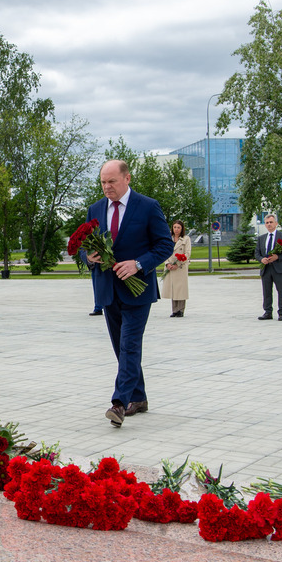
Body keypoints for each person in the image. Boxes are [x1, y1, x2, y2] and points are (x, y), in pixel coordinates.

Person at [83, 159, 174, 428]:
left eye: (111, 181)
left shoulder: (147, 206)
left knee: (129, 345)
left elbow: (164, 246)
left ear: (127, 179)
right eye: (103, 182)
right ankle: (139, 397)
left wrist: (138, 264)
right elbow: (83, 245)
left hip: (138, 291)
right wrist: (89, 257)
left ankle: (119, 403)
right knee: (121, 350)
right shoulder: (95, 209)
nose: (107, 187)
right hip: (108, 290)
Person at [255, 213, 282, 321]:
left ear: (276, 223)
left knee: (281, 291)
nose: (269, 224)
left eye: (271, 222)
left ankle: (281, 313)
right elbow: (257, 253)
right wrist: (261, 259)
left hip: (278, 268)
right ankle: (267, 312)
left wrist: (278, 257)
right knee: (266, 291)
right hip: (266, 268)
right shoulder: (261, 238)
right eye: (267, 223)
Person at [161, 219, 191, 317]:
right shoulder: (168, 239)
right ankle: (174, 310)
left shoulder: (186, 239)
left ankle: (180, 310)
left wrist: (178, 264)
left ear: (182, 229)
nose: (176, 229)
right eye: (175, 227)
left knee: (180, 289)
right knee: (173, 289)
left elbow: (187, 253)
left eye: (178, 227)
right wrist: (167, 264)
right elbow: (164, 253)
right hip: (170, 267)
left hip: (180, 267)